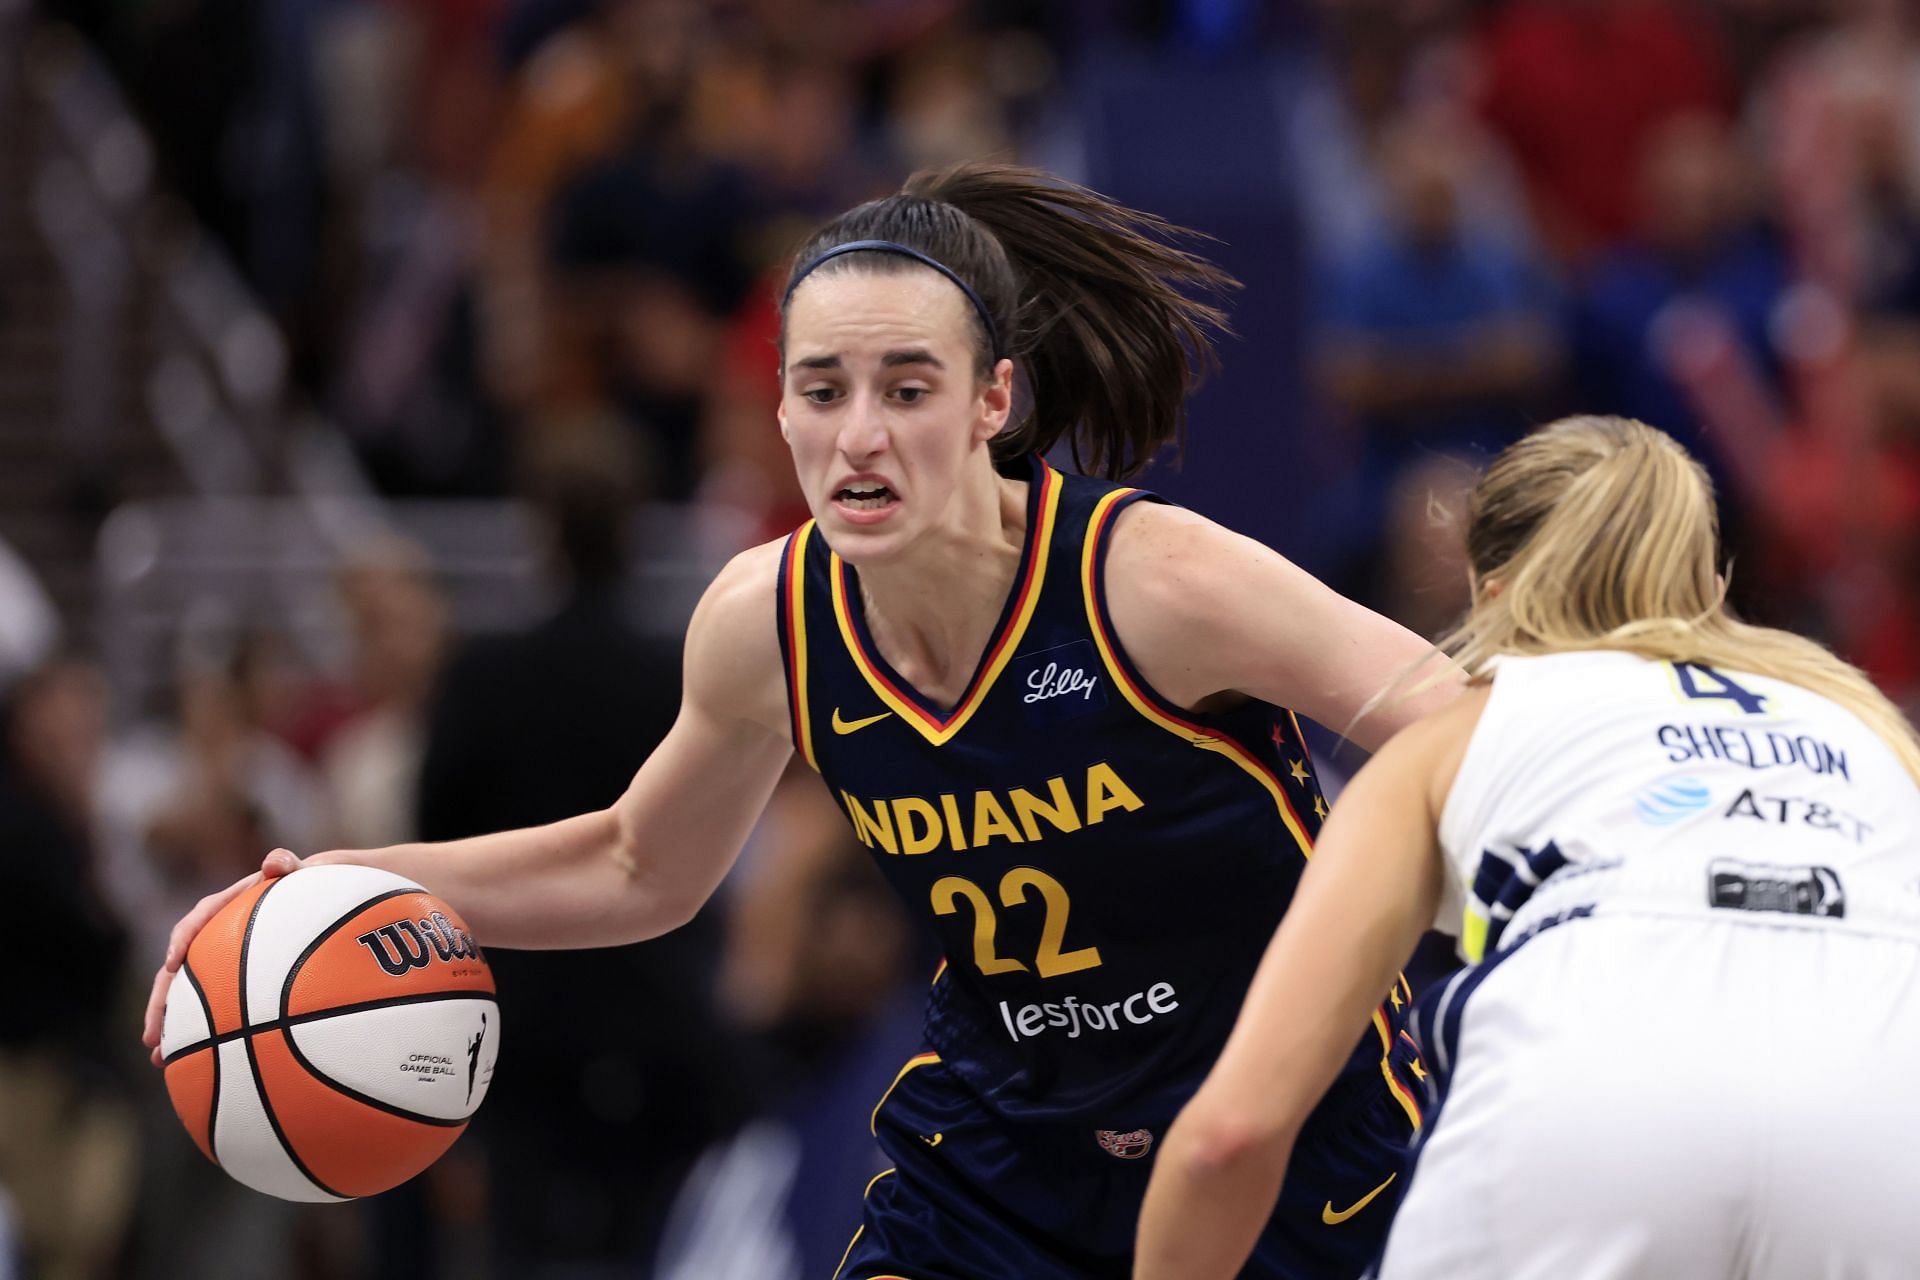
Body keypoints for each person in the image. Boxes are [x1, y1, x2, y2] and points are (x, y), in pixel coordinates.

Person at [143, 162, 1455, 1279]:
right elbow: (638, 862)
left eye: (907, 389)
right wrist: (345, 882)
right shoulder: (768, 622)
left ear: (994, 401)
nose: (859, 437)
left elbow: (1458, 722)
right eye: (822, 391)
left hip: (1285, 1140)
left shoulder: (1153, 583)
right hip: (1007, 1156)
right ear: (776, 409)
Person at [1135, 415, 1920, 1280]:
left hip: (1591, 1113)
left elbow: (1230, 1137)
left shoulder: (1460, 734)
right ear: (1709, 580)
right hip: (1885, 1126)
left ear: (1490, 584)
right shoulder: (1867, 726)